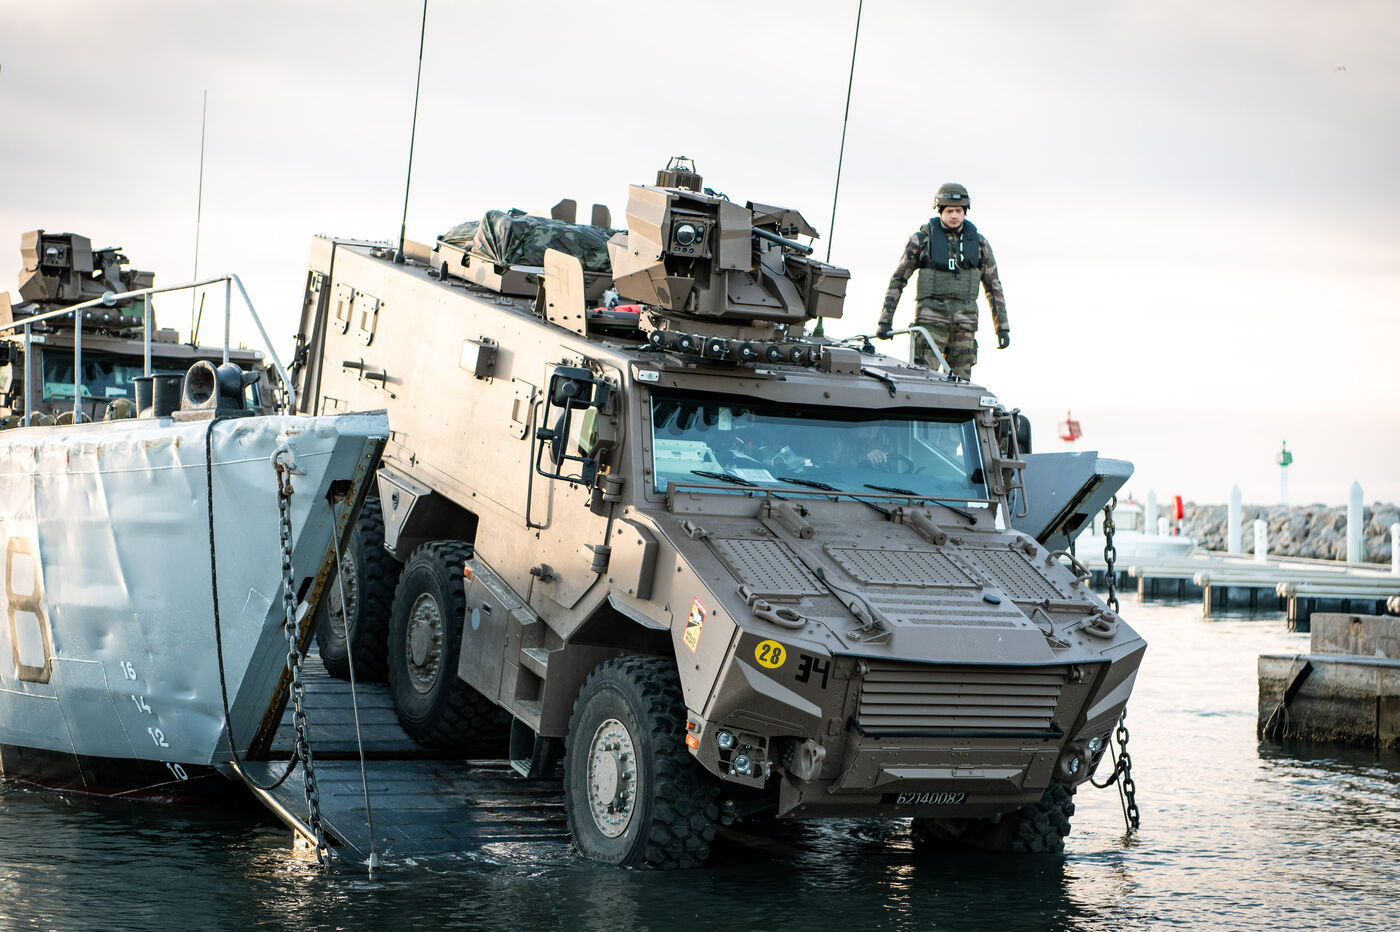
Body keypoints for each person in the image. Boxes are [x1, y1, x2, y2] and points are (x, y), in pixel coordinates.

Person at [875, 182, 1008, 379]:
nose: (954, 216)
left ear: (965, 211)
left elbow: (993, 287)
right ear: (940, 211)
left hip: (964, 326)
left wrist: (1002, 328)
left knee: (961, 385)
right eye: (949, 211)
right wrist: (885, 321)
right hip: (930, 324)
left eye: (958, 211)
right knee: (922, 379)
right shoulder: (922, 240)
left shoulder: (980, 244)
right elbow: (898, 280)